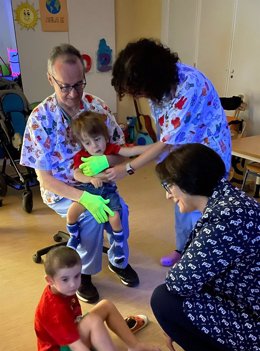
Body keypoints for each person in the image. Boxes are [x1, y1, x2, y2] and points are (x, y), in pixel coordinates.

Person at [80, 38, 231, 267]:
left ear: (151, 78)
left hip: (207, 155)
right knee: (181, 204)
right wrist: (122, 155)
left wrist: (127, 167)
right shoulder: (158, 92)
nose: (138, 95)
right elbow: (164, 139)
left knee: (201, 208)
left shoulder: (189, 85)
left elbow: (165, 142)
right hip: (182, 152)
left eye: (138, 90)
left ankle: (202, 260)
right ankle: (183, 250)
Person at [20, 43, 139, 305]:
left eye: (79, 84)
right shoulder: (40, 120)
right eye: (65, 86)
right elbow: (45, 179)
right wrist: (83, 198)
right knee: (90, 219)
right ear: (50, 79)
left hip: (100, 184)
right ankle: (83, 272)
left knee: (121, 213)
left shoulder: (97, 107)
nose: (73, 94)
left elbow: (121, 151)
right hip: (62, 190)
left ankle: (118, 261)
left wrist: (106, 161)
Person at [150, 143, 260, 351]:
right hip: (251, 303)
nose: (168, 195)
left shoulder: (226, 220)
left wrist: (174, 324)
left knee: (164, 300)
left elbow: (178, 283)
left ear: (187, 183)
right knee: (186, 294)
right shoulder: (231, 200)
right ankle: (234, 346)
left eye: (169, 186)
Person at [35, 246, 161, 351]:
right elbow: (76, 346)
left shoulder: (61, 289)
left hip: (69, 337)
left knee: (105, 305)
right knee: (93, 321)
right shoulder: (53, 309)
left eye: (77, 276)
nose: (73, 284)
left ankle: (135, 347)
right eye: (65, 279)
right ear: (49, 280)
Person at [67, 110, 149, 264]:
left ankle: (118, 246)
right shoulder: (82, 155)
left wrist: (154, 147)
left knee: (116, 217)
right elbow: (76, 174)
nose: (94, 146)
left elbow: (130, 151)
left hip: (108, 192)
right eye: (87, 143)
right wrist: (90, 179)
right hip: (88, 191)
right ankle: (74, 236)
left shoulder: (111, 149)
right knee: (72, 213)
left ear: (105, 137)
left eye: (97, 139)